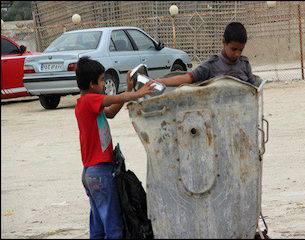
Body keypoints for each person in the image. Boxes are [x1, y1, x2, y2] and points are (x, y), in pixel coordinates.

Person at [74, 57, 154, 239]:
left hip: (90, 174)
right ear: (92, 84)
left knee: (98, 225)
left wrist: (129, 90)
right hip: (100, 172)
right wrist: (139, 93)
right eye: (102, 80)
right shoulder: (89, 101)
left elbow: (111, 112)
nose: (104, 84)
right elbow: (116, 98)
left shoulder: (87, 104)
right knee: (114, 227)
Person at [156, 22, 256, 86]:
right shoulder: (211, 65)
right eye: (234, 49)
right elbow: (188, 77)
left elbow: (254, 88)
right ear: (224, 42)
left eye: (240, 50)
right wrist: (161, 82)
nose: (237, 54)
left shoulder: (244, 64)